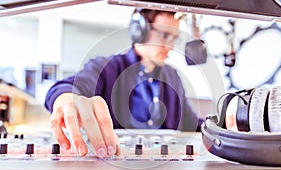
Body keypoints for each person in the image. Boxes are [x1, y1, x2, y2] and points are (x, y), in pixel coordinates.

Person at [44, 9, 204, 158]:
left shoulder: (172, 76)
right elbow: (66, 88)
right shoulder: (106, 68)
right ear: (139, 31)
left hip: (163, 165)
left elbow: (190, 123)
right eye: (164, 35)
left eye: (174, 38)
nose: (170, 45)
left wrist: (221, 124)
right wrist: (67, 101)